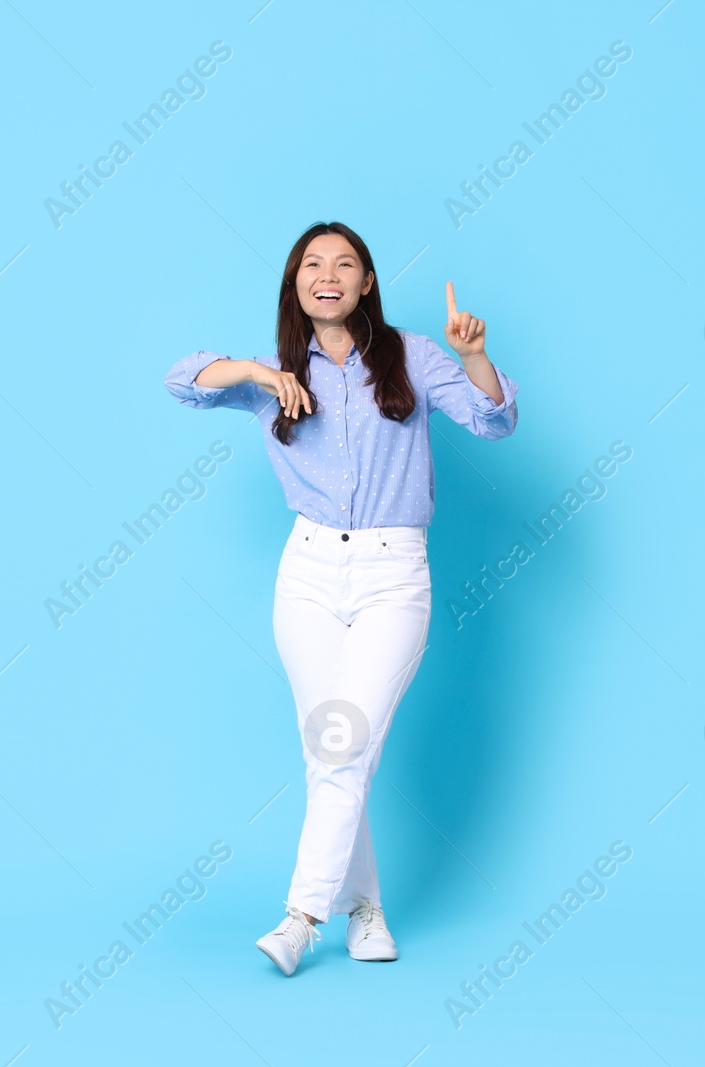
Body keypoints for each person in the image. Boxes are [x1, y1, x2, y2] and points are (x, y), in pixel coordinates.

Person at [162, 221, 519, 977]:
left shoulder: (415, 356)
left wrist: (475, 357)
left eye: (345, 264)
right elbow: (182, 379)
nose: (329, 274)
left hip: (394, 573)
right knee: (332, 745)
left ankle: (301, 916)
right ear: (296, 284)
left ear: (366, 283)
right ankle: (366, 909)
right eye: (312, 264)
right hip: (309, 574)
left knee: (343, 744)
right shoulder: (274, 377)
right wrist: (259, 377)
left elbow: (496, 423)